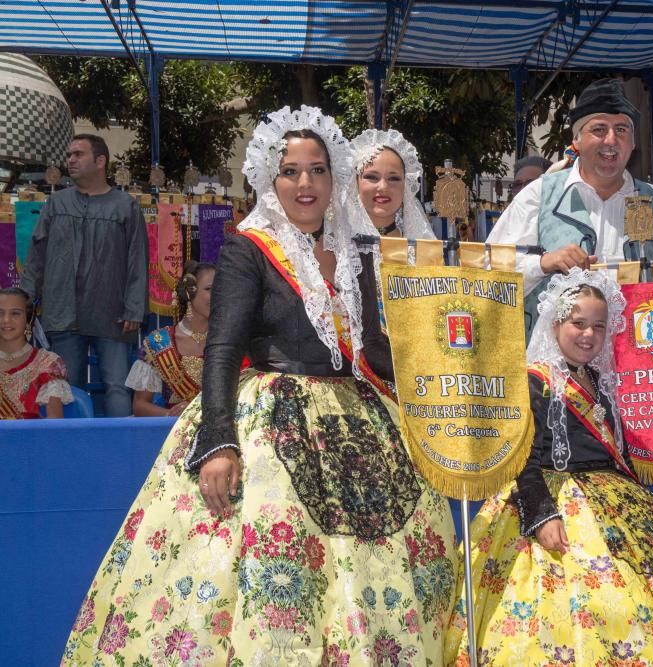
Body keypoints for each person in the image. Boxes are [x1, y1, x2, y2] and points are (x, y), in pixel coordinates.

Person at [61, 106, 457, 666]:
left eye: (317, 170)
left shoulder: (355, 252)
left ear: (333, 177)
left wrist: (440, 378)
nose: (305, 183)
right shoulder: (249, 249)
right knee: (276, 569)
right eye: (291, 170)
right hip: (272, 422)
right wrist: (219, 440)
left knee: (369, 570)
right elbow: (222, 348)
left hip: (355, 424)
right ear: (271, 179)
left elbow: (370, 351)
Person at [445, 268, 653, 666]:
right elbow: (524, 456)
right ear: (556, 322)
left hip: (612, 505)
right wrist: (541, 515)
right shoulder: (535, 380)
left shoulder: (599, 380)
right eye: (579, 324)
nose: (588, 335)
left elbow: (618, 452)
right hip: (553, 501)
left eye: (598, 326)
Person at [486, 78, 653, 335]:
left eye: (622, 130)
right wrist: (543, 262)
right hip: (556, 366)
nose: (611, 140)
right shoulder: (541, 194)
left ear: (633, 144)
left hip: (636, 362)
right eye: (599, 129)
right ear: (576, 141)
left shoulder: (650, 199)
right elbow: (490, 273)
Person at [21, 134, 148, 417]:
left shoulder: (125, 206)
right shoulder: (57, 204)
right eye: (70, 155)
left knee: (117, 385)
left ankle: (118, 452)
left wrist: (134, 308)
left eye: (78, 154)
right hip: (63, 310)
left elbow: (137, 261)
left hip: (112, 311)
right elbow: (37, 255)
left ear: (100, 161)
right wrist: (25, 298)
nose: (71, 161)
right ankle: (72, 452)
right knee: (66, 388)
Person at [125, 261, 214, 416]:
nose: (217, 296)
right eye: (209, 289)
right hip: (172, 432)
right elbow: (140, 405)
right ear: (188, 292)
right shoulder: (159, 342)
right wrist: (171, 415)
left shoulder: (230, 341)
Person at [347, 128, 436, 240]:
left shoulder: (422, 250)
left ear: (405, 187)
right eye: (371, 177)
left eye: (393, 178)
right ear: (355, 183)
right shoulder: (337, 249)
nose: (383, 187)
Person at [0, 287, 73, 419]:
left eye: (15, 313)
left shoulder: (47, 363)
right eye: (0, 313)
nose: (6, 320)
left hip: (28, 438)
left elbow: (54, 426)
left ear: (29, 319)